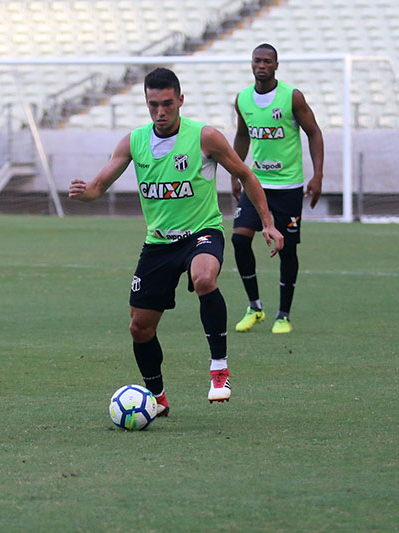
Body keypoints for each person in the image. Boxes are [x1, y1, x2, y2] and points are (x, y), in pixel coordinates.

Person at [69, 68, 283, 416]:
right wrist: (85, 193)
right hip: (158, 244)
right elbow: (98, 186)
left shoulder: (205, 137)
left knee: (204, 278)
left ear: (180, 100)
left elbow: (245, 174)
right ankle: (157, 398)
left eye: (167, 103)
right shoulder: (133, 141)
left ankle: (219, 369)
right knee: (139, 327)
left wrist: (268, 224)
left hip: (202, 232)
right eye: (153, 104)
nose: (160, 112)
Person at [231, 43, 325, 335]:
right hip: (255, 183)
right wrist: (236, 171)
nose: (261, 65)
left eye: (267, 61)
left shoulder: (291, 97)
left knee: (287, 249)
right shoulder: (243, 99)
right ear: (251, 64)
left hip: (288, 186)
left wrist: (317, 175)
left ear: (276, 65)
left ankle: (283, 314)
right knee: (239, 239)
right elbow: (243, 135)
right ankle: (255, 307)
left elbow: (314, 132)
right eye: (257, 60)